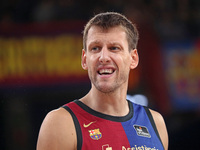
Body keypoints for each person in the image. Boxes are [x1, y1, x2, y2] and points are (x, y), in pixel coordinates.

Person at [37, 12, 168, 150]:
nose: (103, 57)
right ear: (84, 59)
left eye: (114, 48)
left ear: (133, 58)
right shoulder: (60, 123)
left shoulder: (155, 123)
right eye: (95, 48)